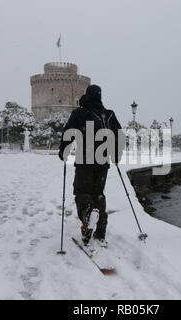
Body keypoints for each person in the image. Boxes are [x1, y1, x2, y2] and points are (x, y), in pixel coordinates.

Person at [59, 84, 123, 247]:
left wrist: (64, 151)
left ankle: (87, 215)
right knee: (98, 193)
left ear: (87, 96)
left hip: (85, 161)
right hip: (103, 162)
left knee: (82, 191)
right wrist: (116, 154)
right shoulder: (108, 114)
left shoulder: (79, 113)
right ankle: (100, 231)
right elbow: (119, 136)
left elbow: (68, 133)